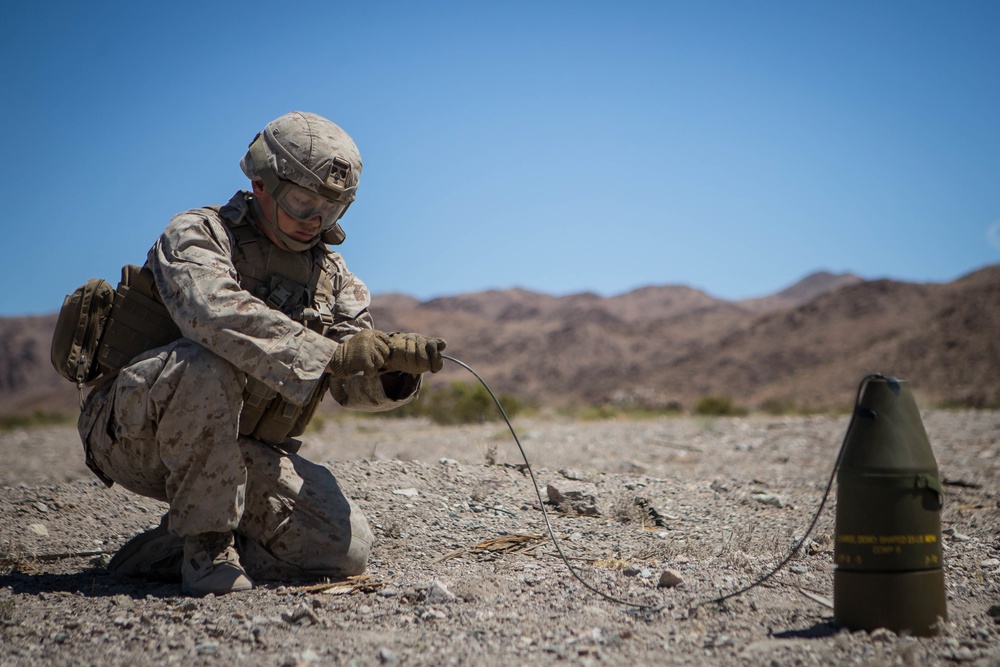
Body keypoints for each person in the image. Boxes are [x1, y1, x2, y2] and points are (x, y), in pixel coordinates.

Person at [77, 111, 446, 596]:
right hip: (134, 432)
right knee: (204, 364)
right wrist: (328, 354)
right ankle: (206, 549)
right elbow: (211, 314)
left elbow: (348, 387)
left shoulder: (334, 279)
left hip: (233, 449)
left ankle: (169, 546)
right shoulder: (196, 234)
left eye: (331, 210)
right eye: (302, 201)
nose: (314, 220)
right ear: (261, 183)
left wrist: (389, 369)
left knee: (342, 550)